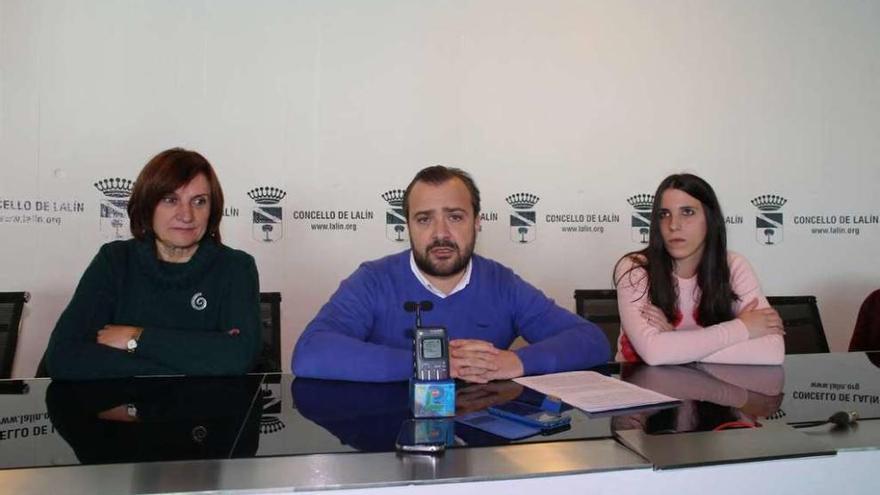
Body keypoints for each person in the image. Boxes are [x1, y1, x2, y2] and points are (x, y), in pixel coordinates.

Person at [293, 166, 610, 383]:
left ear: (477, 222)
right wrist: (429, 365)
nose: (440, 234)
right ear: (408, 226)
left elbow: (591, 341)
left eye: (455, 217)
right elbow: (309, 354)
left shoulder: (502, 283)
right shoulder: (373, 280)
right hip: (390, 445)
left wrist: (516, 362)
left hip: (482, 448)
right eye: (424, 219)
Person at [45, 148, 261, 380]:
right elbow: (63, 357)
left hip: (202, 413)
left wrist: (135, 338)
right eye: (170, 200)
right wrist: (193, 360)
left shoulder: (236, 267)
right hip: (120, 410)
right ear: (148, 206)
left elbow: (238, 357)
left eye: (199, 202)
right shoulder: (115, 261)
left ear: (213, 209)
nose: (186, 215)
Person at [613, 173, 784, 365]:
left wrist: (674, 342)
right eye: (664, 214)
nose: (674, 225)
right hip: (641, 389)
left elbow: (773, 351)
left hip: (713, 389)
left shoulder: (733, 265)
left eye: (687, 212)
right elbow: (655, 353)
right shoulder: (635, 268)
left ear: (710, 219)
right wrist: (742, 327)